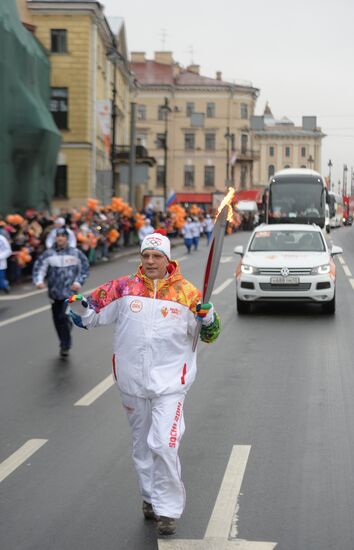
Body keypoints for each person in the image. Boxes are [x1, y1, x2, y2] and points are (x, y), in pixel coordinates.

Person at [67, 233, 220, 536]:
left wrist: (208, 317)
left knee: (164, 444)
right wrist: (80, 305)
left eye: (156, 256)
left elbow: (211, 335)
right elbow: (90, 316)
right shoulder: (122, 287)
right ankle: (150, 497)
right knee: (141, 446)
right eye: (146, 255)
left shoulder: (188, 294)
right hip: (132, 383)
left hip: (171, 384)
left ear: (167, 260)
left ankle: (167, 510)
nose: (150, 261)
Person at [33, 228, 89, 357]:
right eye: (58, 236)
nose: (60, 238)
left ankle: (65, 345)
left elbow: (84, 269)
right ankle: (63, 340)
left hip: (70, 292)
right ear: (55, 238)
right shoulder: (48, 254)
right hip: (54, 293)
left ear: (67, 238)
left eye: (63, 236)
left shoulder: (76, 253)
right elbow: (39, 268)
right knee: (57, 319)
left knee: (63, 317)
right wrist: (38, 281)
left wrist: (78, 282)